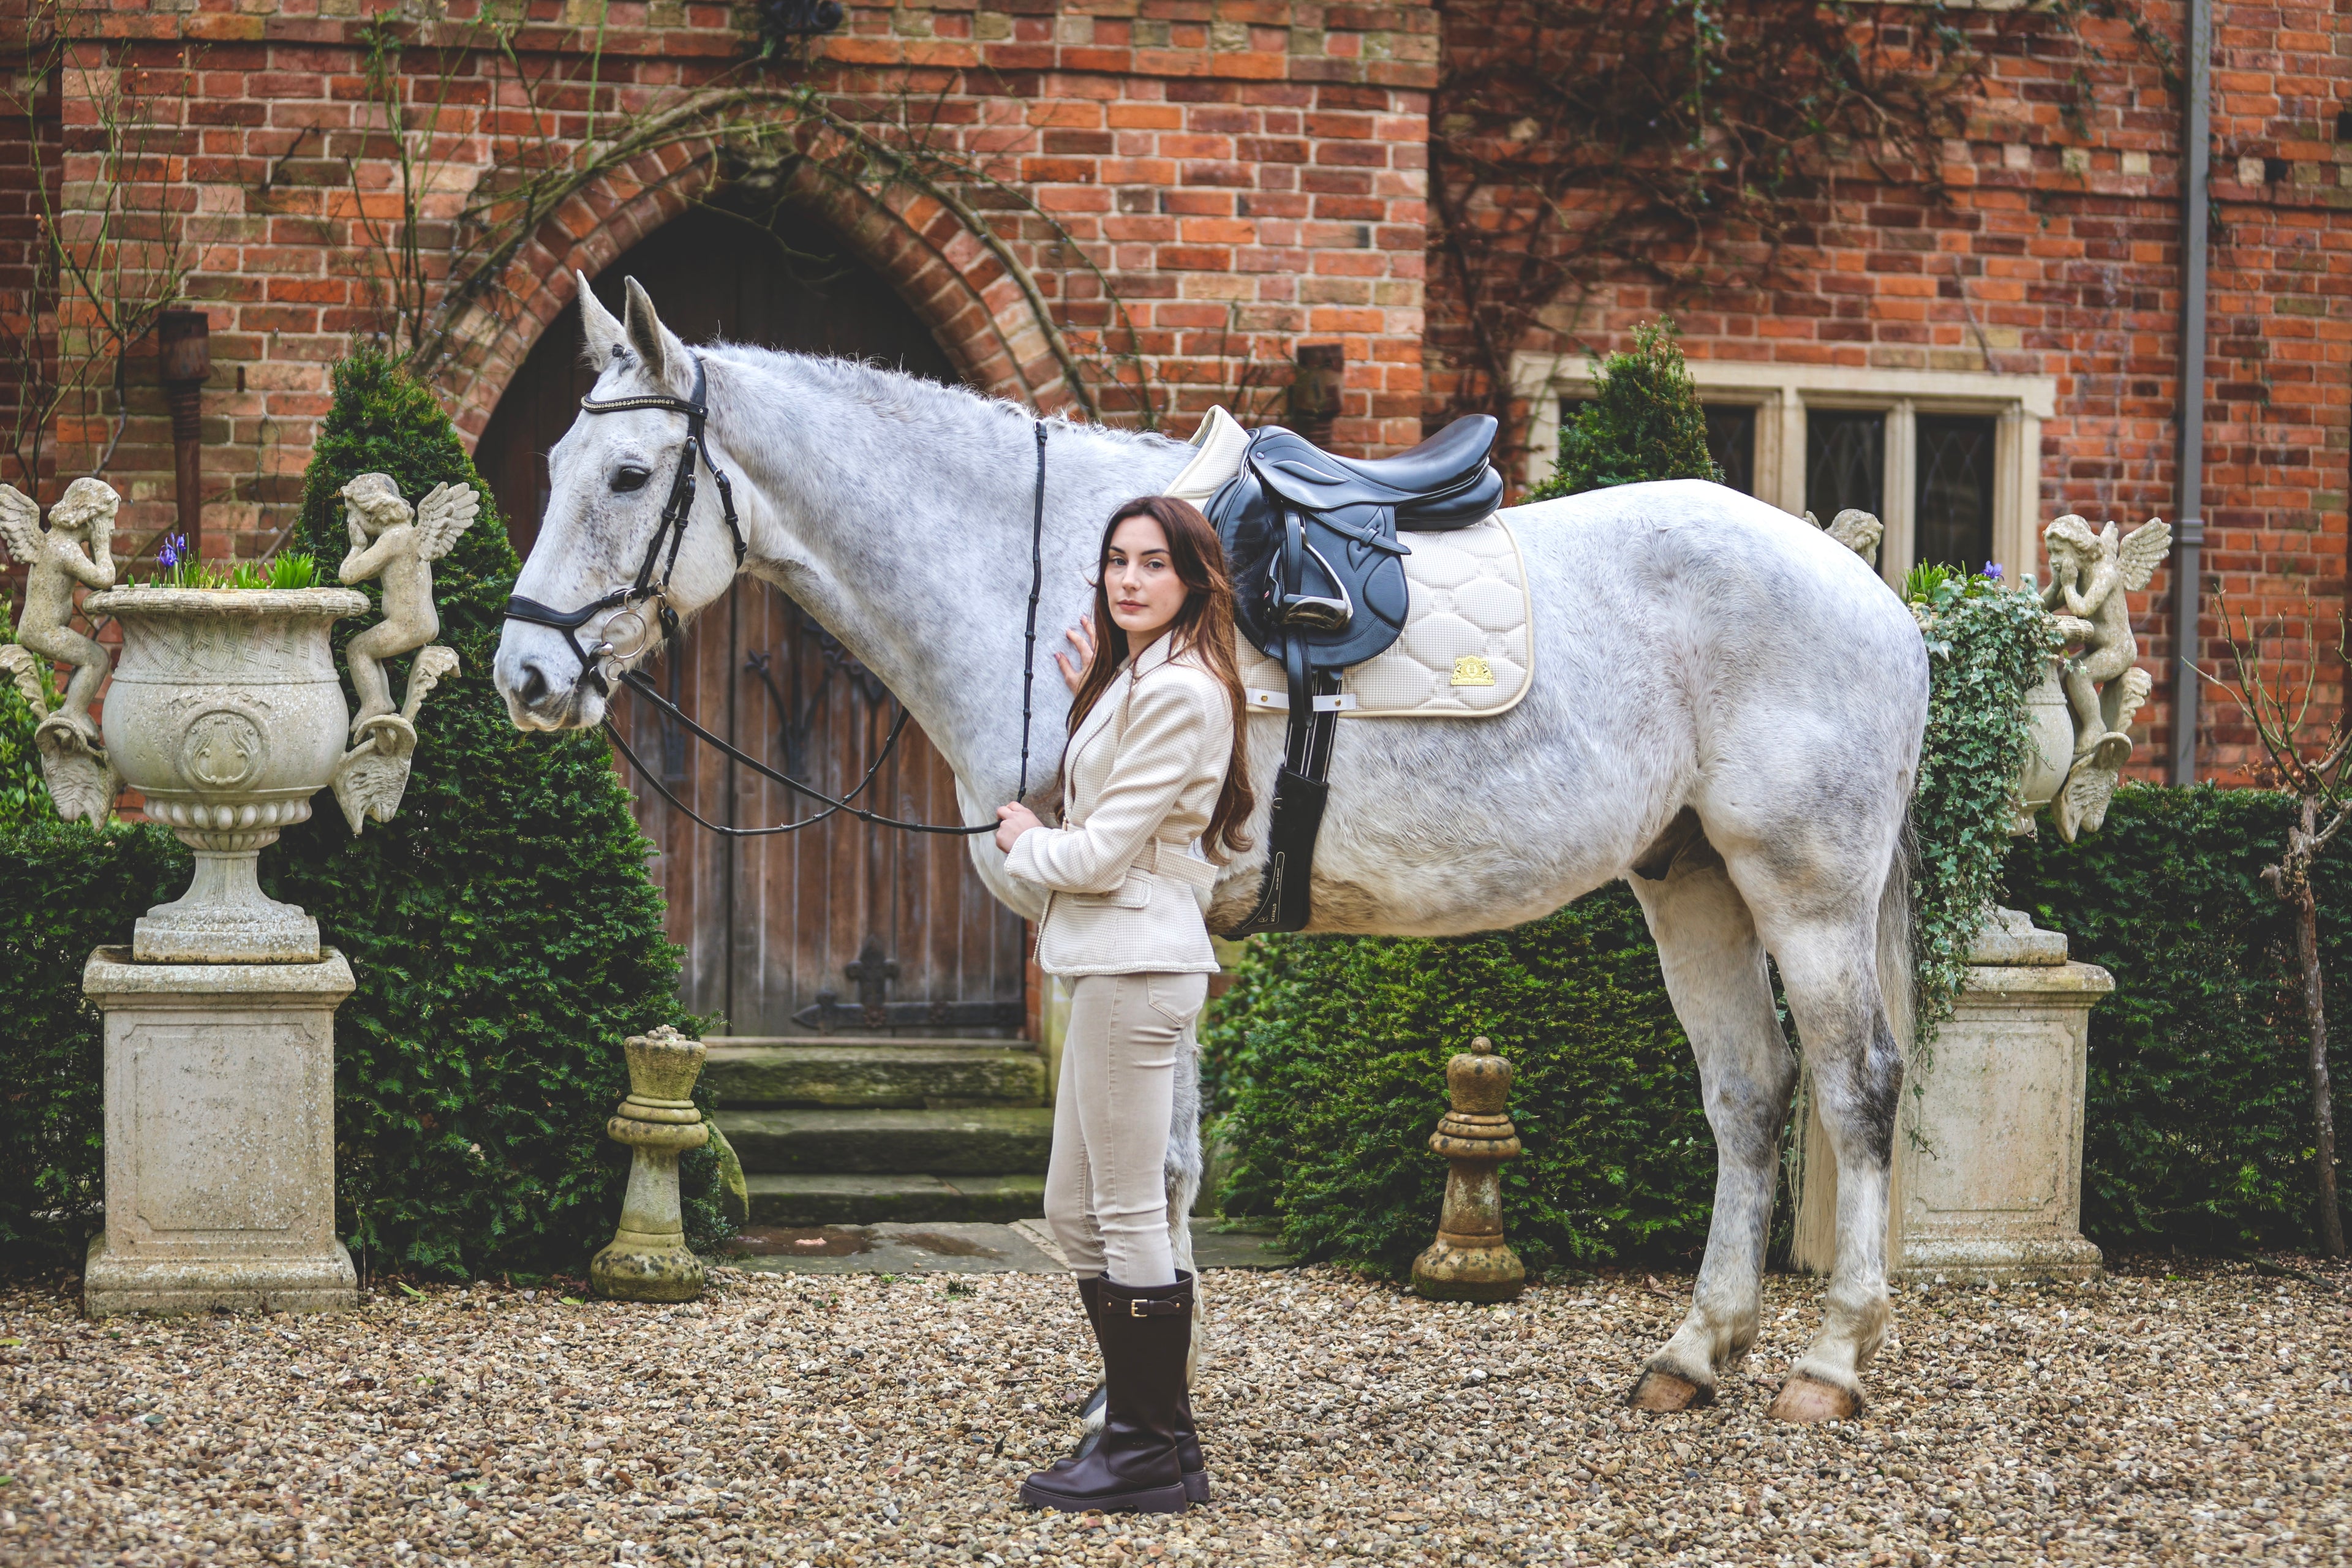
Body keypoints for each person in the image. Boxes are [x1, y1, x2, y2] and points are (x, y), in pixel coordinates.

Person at [995, 495, 1256, 1515]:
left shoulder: (1183, 691)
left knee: (1127, 1207)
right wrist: (1096, 699)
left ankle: (1150, 1447)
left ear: (1193, 579)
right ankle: (1156, 1439)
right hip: (1111, 960)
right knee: (1073, 1208)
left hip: (1137, 962)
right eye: (1116, 561)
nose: (1129, 579)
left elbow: (1101, 852)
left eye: (1153, 563)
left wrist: (1026, 841)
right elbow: (1115, 804)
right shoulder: (1140, 678)